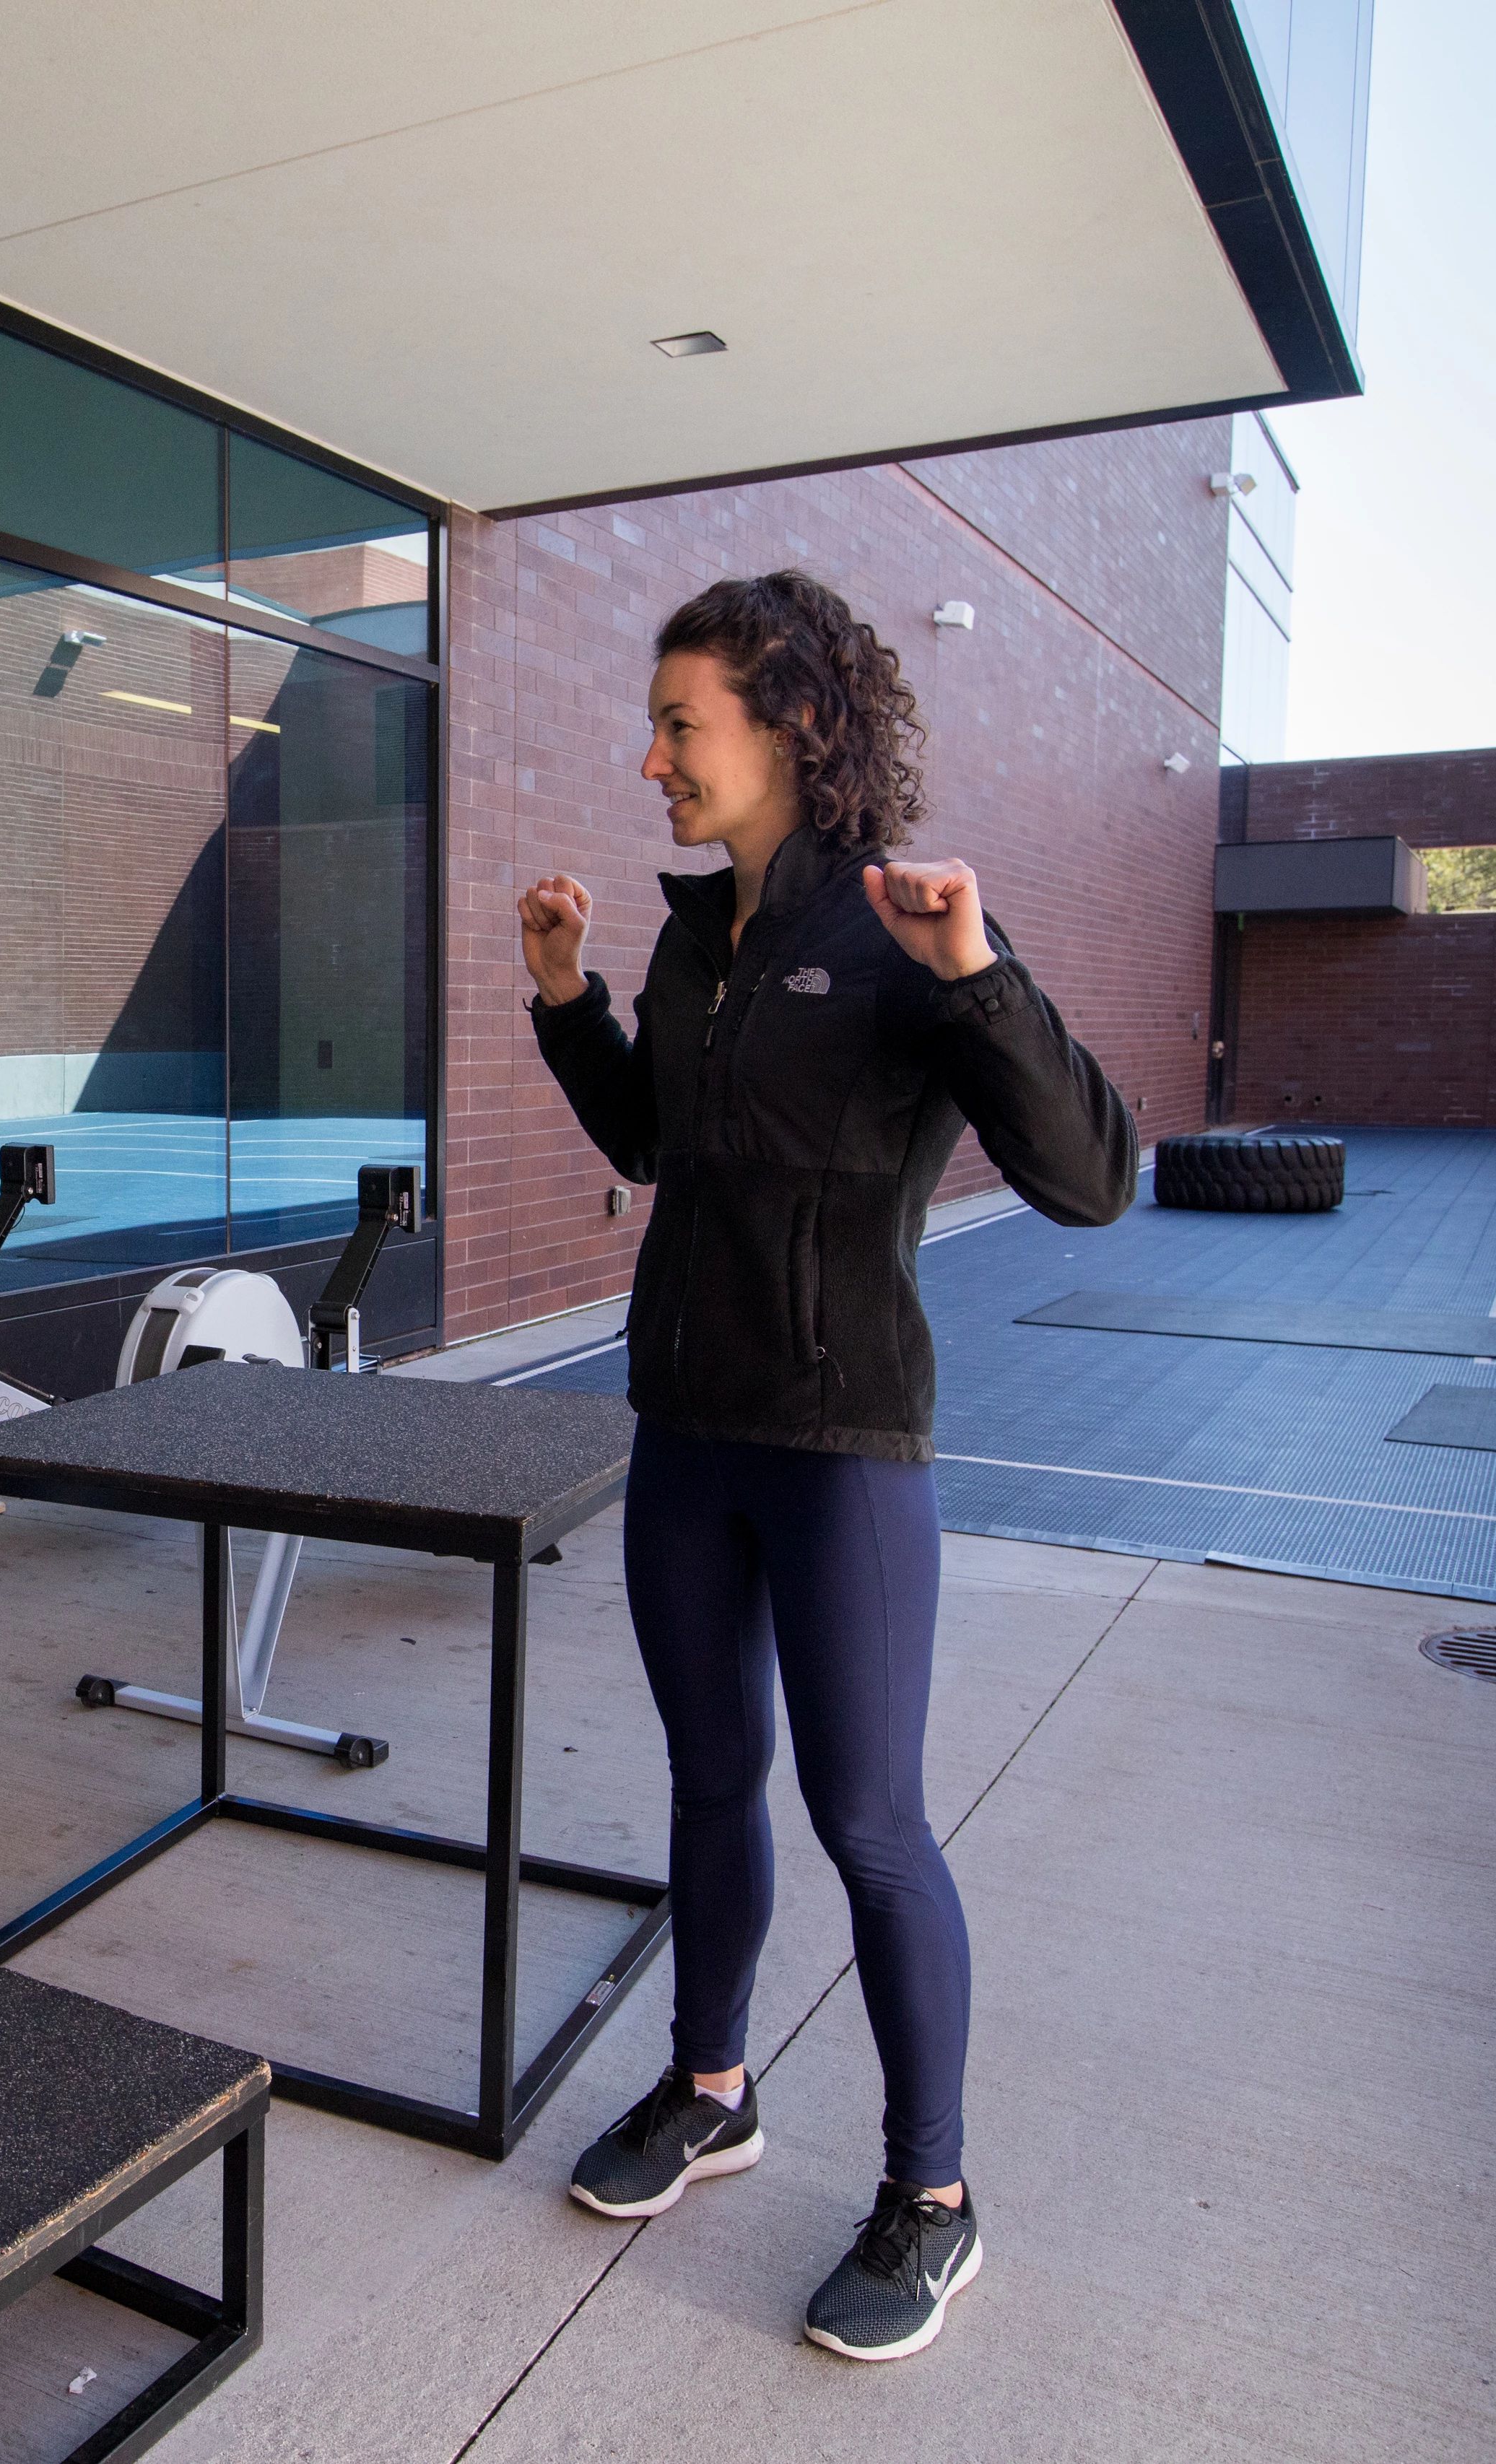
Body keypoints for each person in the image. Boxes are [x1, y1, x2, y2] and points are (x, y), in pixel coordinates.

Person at [519, 573, 1135, 2363]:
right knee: (713, 1781)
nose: (649, 760)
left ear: (790, 726)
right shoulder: (692, 940)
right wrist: (568, 999)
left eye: (678, 726)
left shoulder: (899, 936)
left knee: (866, 1823)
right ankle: (711, 2091)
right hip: (684, 1434)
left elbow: (1093, 1179)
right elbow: (651, 1138)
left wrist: (982, 978)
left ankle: (931, 2200)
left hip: (843, 1446)